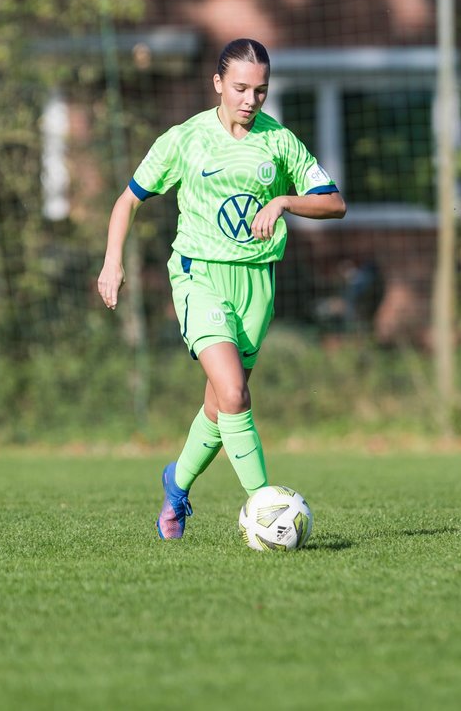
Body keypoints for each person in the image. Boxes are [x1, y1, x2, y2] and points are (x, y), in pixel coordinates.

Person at [97, 38, 346, 538]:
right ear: (217, 84)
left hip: (256, 283)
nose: (251, 100)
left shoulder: (279, 142)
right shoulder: (185, 139)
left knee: (219, 405)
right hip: (199, 276)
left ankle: (176, 485)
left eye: (261, 90)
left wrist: (284, 204)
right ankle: (267, 508)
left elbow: (334, 203)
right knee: (235, 393)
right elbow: (127, 201)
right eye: (240, 88)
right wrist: (112, 263)